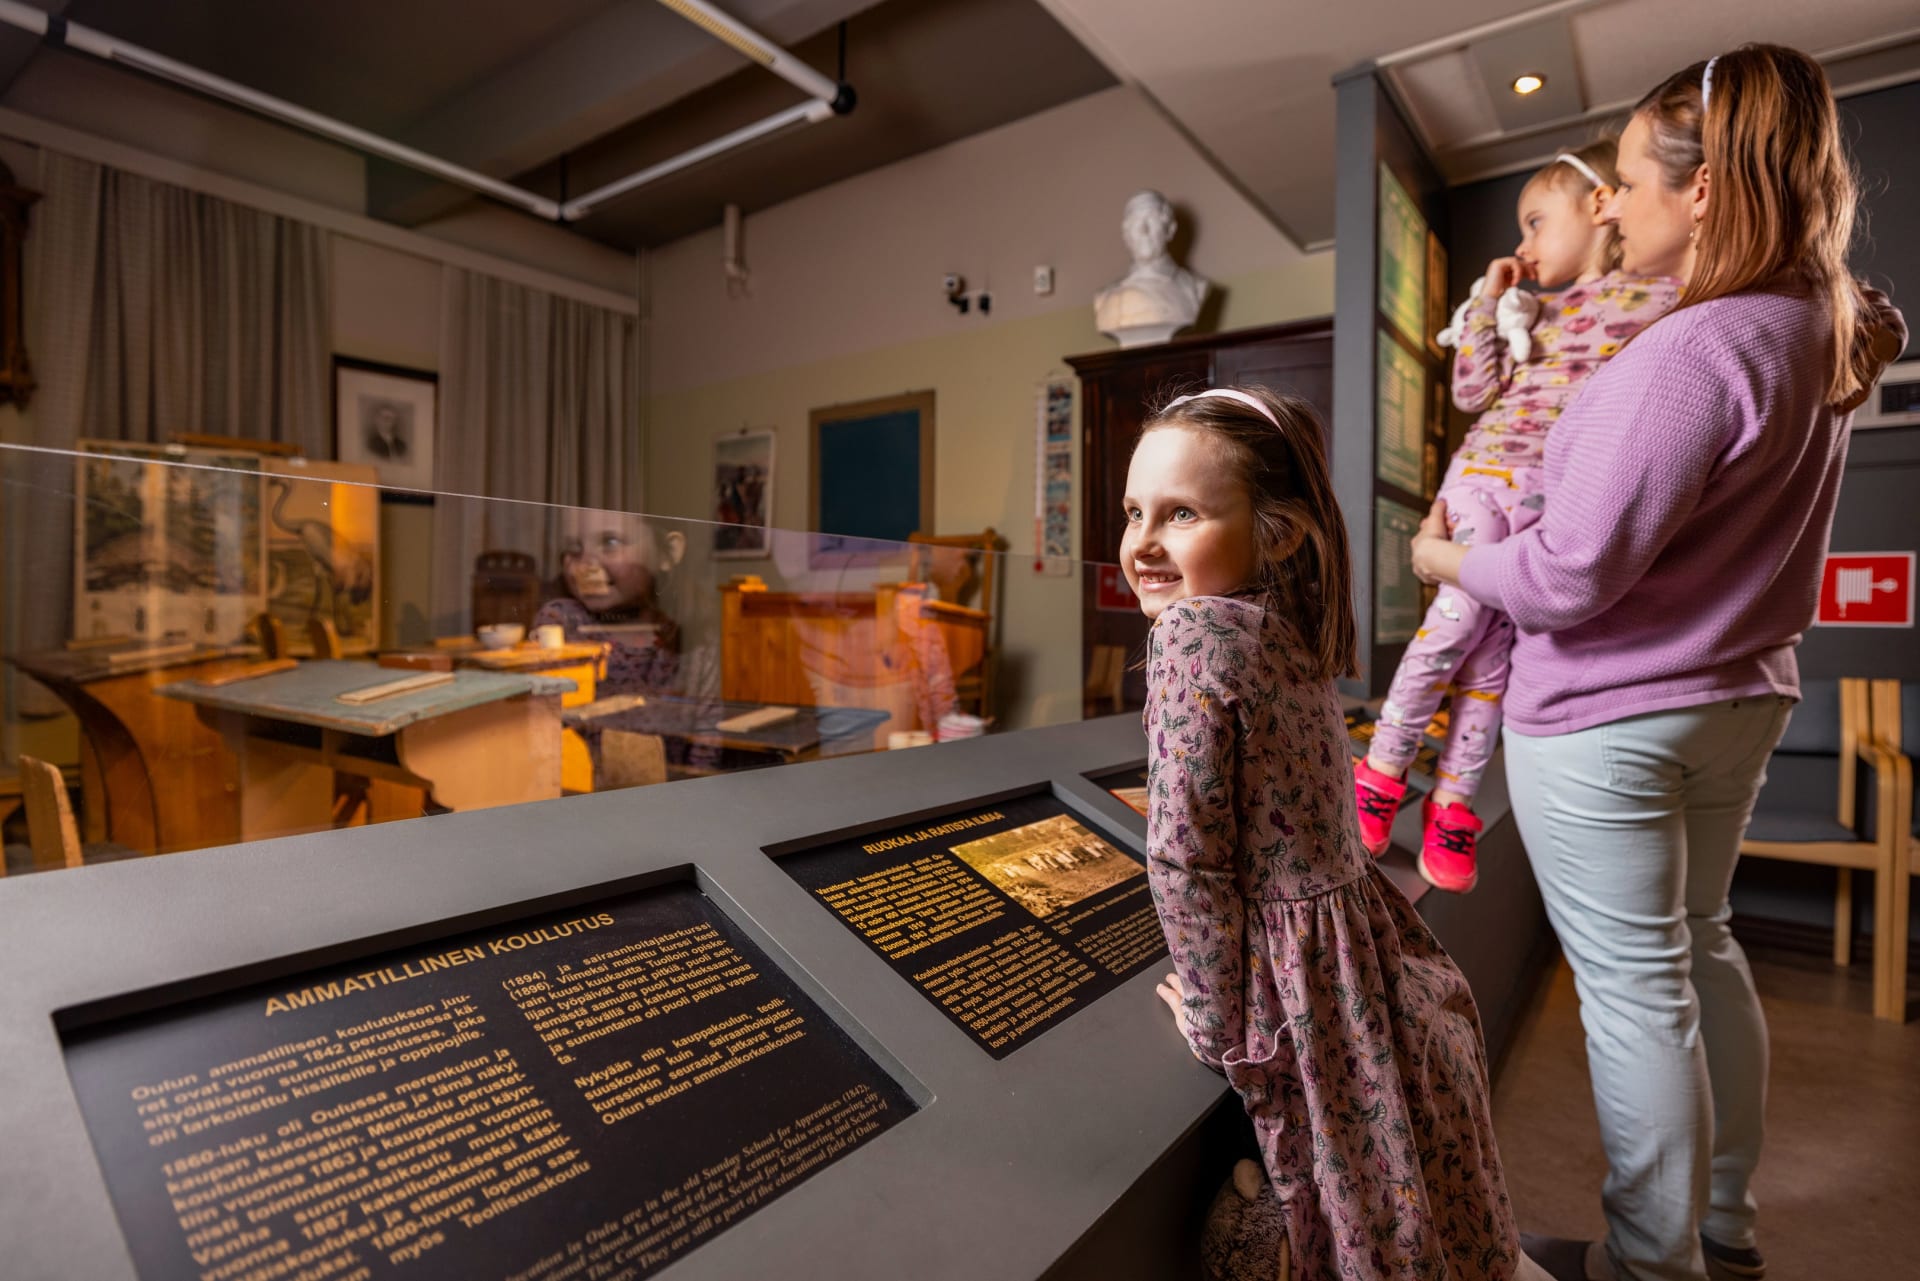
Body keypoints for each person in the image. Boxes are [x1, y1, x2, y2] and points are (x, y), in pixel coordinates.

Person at [1410, 45, 1907, 1281]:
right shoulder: (1813, 329)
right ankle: (1722, 1229)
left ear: (1703, 193)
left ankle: (1648, 1263)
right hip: (1735, 699)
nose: (1611, 206)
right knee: (1699, 948)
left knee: (1636, 994)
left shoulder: (1690, 353)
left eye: (1626, 182)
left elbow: (1570, 576)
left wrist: (1448, 563)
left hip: (1612, 712)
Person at [1129, 386, 1551, 1280]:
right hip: (1358, 956)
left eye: (1182, 514)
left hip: (1295, 980)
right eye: (1135, 513)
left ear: (1277, 531)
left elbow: (1185, 859)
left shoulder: (1193, 635)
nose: (1143, 542)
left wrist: (1215, 1015)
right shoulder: (1286, 631)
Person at [1355, 140, 1682, 893]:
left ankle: (1452, 804)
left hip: (1549, 499)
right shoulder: (1526, 307)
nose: (1524, 245)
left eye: (1536, 223)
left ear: (1602, 206)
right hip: (1479, 479)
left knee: (1495, 664)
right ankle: (1380, 772)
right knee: (1454, 624)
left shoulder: (1651, 296)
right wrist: (1483, 303)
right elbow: (1472, 392)